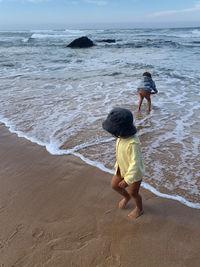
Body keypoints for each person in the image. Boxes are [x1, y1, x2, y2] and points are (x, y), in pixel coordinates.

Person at [102, 107, 145, 219]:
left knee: (133, 192)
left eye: (113, 131)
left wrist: (127, 180)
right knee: (114, 186)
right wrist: (118, 167)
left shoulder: (133, 144)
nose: (112, 134)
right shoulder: (121, 137)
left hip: (134, 174)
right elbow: (120, 154)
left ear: (119, 130)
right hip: (121, 168)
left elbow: (135, 164)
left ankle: (139, 209)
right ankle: (126, 197)